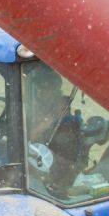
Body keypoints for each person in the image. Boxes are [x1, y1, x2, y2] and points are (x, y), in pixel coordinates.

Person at [22, 62, 87, 197]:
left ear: (54, 89)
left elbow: (26, 139)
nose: (38, 91)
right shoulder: (41, 106)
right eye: (37, 87)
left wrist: (46, 123)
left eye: (43, 87)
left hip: (52, 172)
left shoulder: (64, 119)